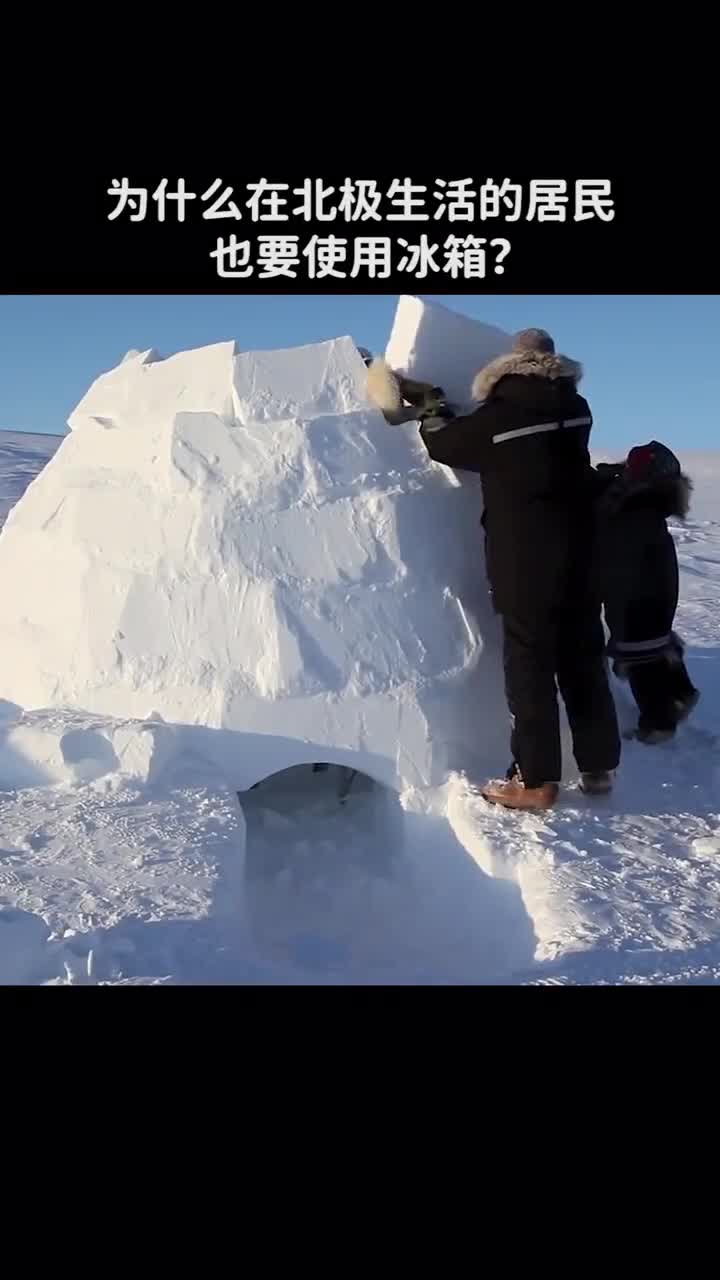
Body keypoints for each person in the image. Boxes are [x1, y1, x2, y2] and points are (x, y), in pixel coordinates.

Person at [367, 328, 621, 810]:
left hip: (527, 562)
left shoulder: (502, 418)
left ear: (510, 364)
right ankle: (598, 767)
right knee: (583, 657)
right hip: (583, 556)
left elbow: (447, 445)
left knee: (530, 665)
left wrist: (434, 410)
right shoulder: (577, 410)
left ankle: (536, 779)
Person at [593, 442, 699, 743]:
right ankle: (680, 692)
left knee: (640, 655)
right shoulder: (646, 502)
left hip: (636, 591)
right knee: (654, 643)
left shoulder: (631, 510)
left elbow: (609, 534)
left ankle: (658, 723)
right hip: (655, 584)